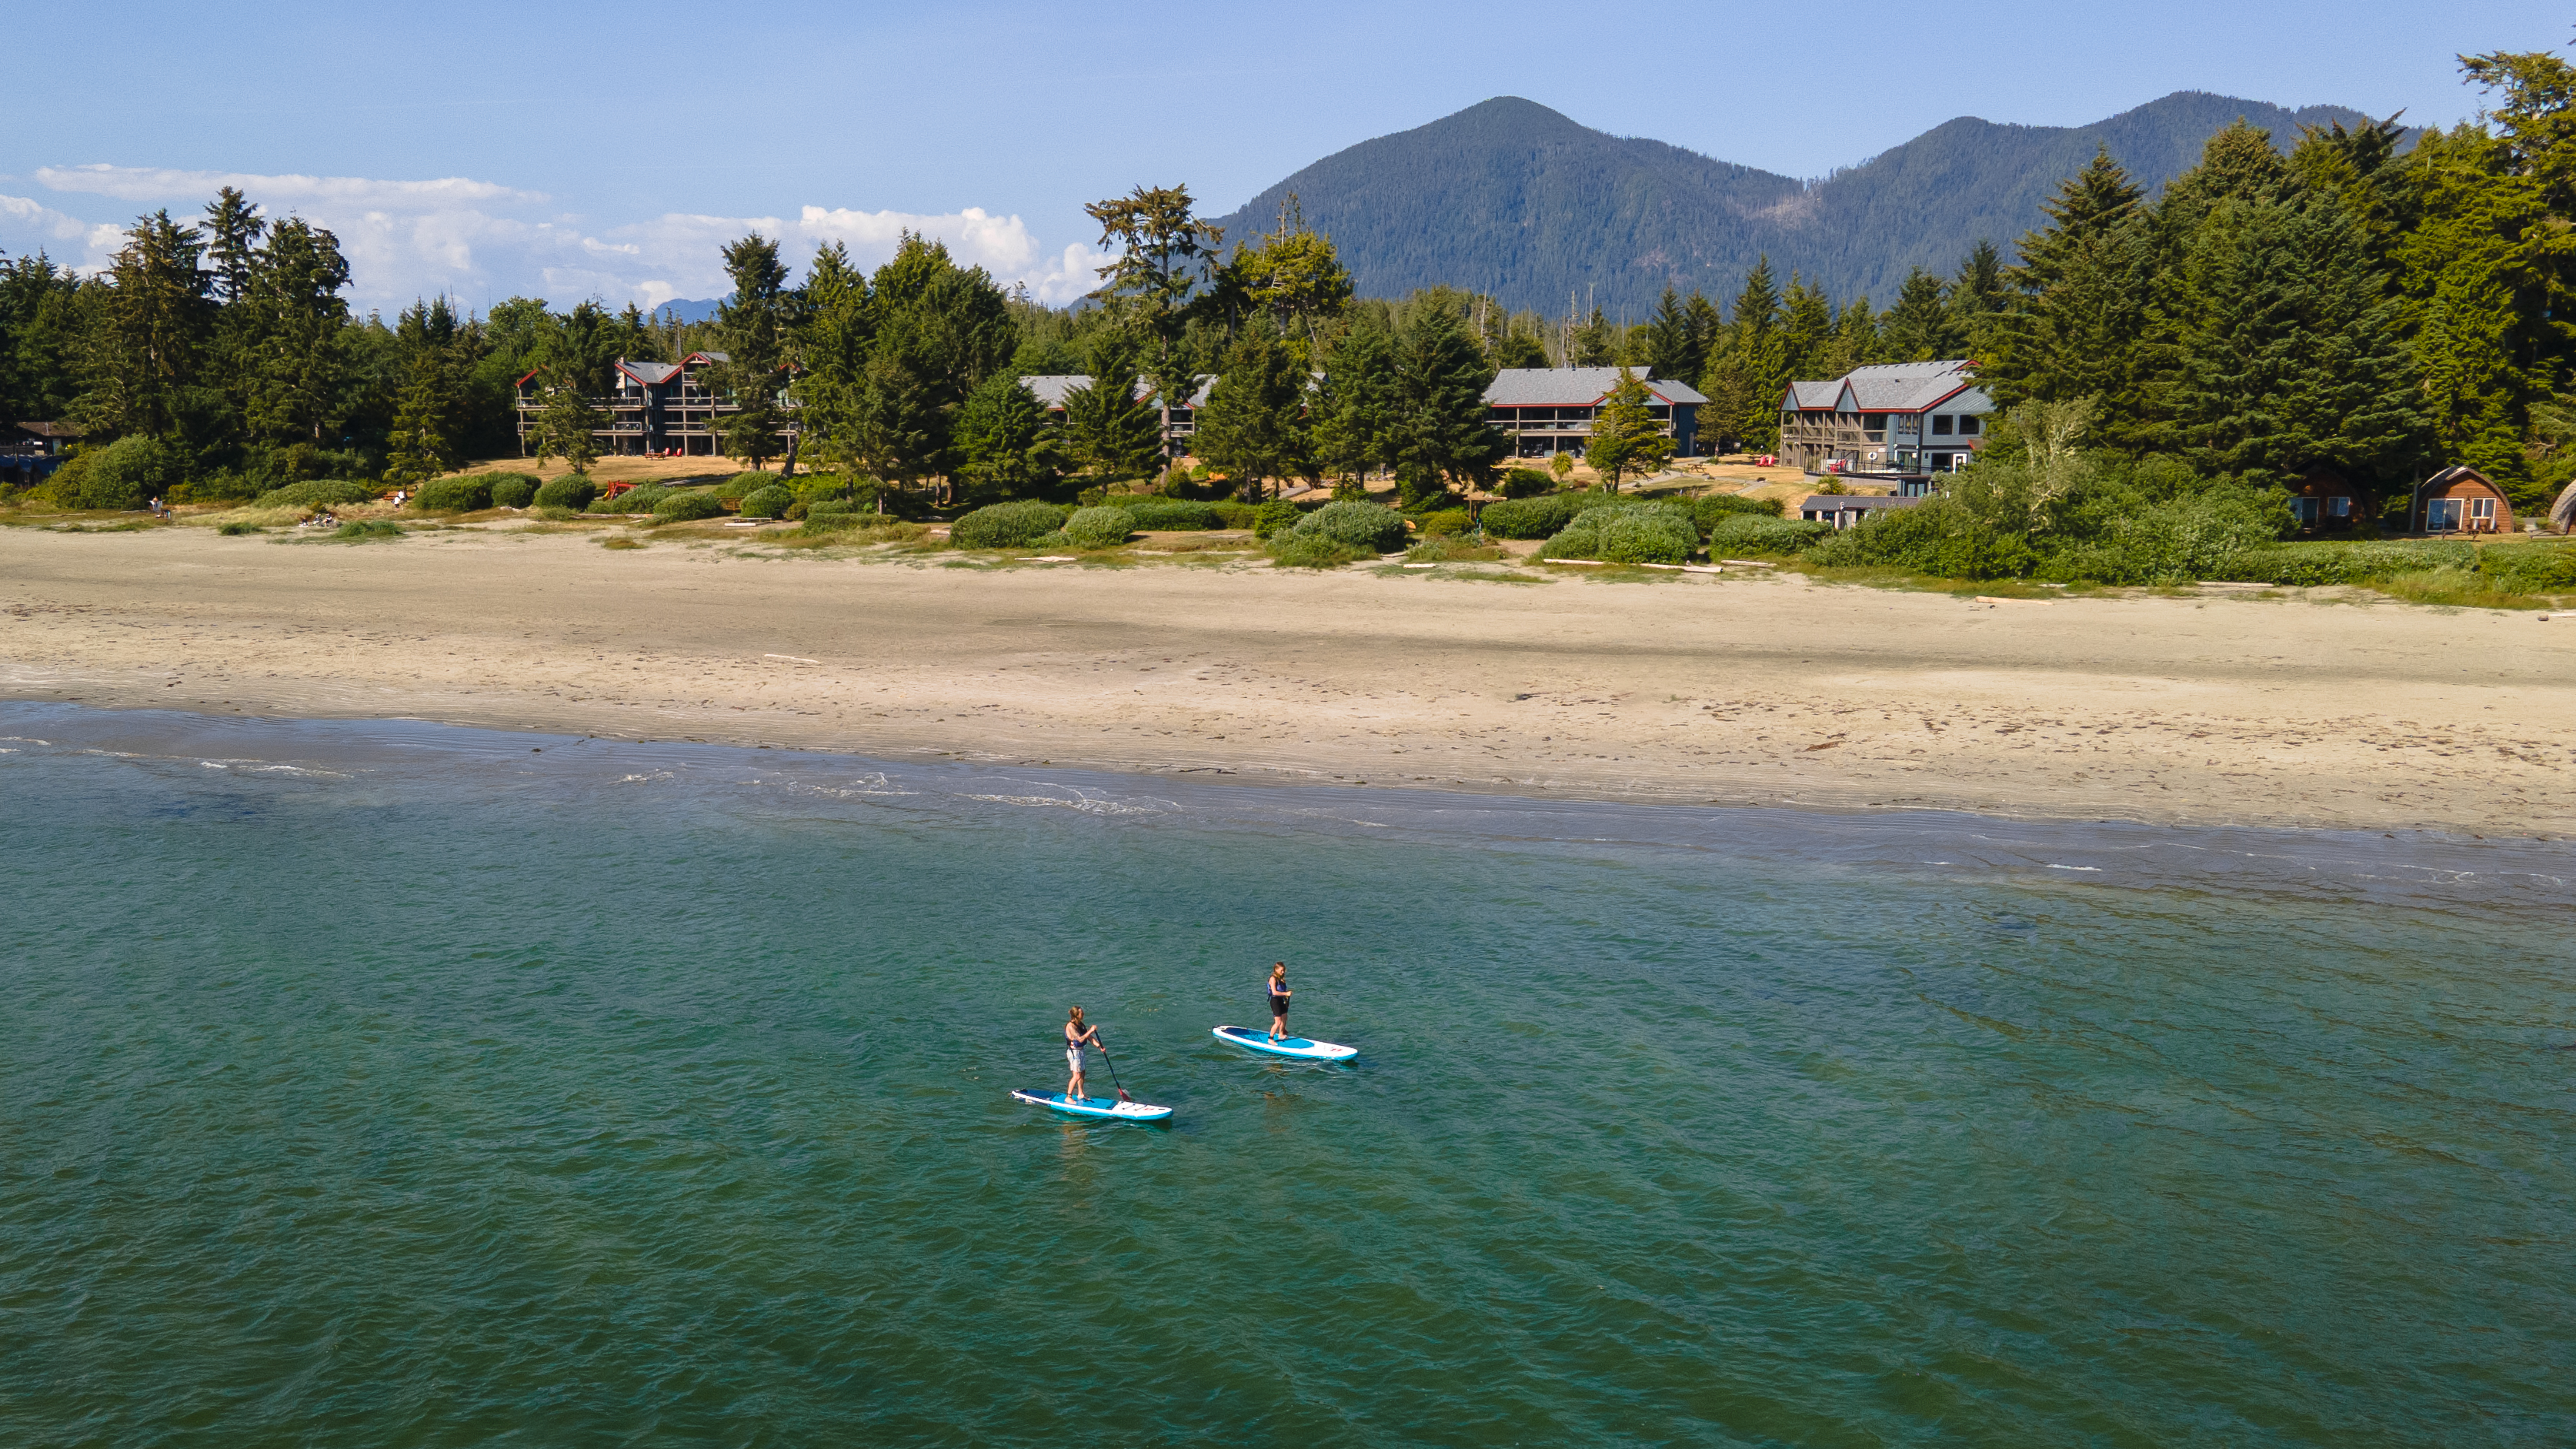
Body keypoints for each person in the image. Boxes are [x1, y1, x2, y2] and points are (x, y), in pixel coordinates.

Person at [1064, 1006, 1102, 1100]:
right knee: (1076, 1075)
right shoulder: (1070, 1026)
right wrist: (1091, 1031)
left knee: (1082, 1073)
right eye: (1081, 1013)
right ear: (1076, 1015)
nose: (1083, 1014)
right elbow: (1080, 1039)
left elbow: (1090, 1038)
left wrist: (1100, 1046)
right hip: (1074, 1053)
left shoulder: (1080, 1024)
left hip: (1081, 1051)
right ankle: (1068, 1097)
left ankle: (1080, 1093)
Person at [1266, 963, 1293, 1042]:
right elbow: (1274, 992)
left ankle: (1281, 1034)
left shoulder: (1281, 979)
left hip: (1282, 1000)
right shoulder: (1273, 979)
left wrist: (1286, 999)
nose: (1283, 972)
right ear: (1276, 970)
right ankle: (1270, 1039)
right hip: (1275, 1001)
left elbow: (1282, 991)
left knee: (1285, 1017)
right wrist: (1286, 994)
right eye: (1281, 971)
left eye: (1284, 970)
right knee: (1278, 1022)